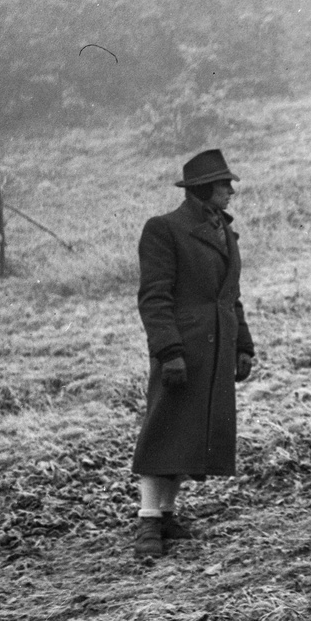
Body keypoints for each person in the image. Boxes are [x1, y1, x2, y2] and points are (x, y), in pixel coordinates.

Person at [132, 148, 255, 558]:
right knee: (164, 430)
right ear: (204, 189)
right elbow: (154, 298)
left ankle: (166, 514)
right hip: (183, 347)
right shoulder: (165, 229)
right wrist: (169, 352)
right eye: (225, 185)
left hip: (217, 346)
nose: (231, 192)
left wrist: (243, 345)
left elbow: (231, 296)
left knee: (190, 434)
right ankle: (147, 522)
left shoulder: (225, 231)